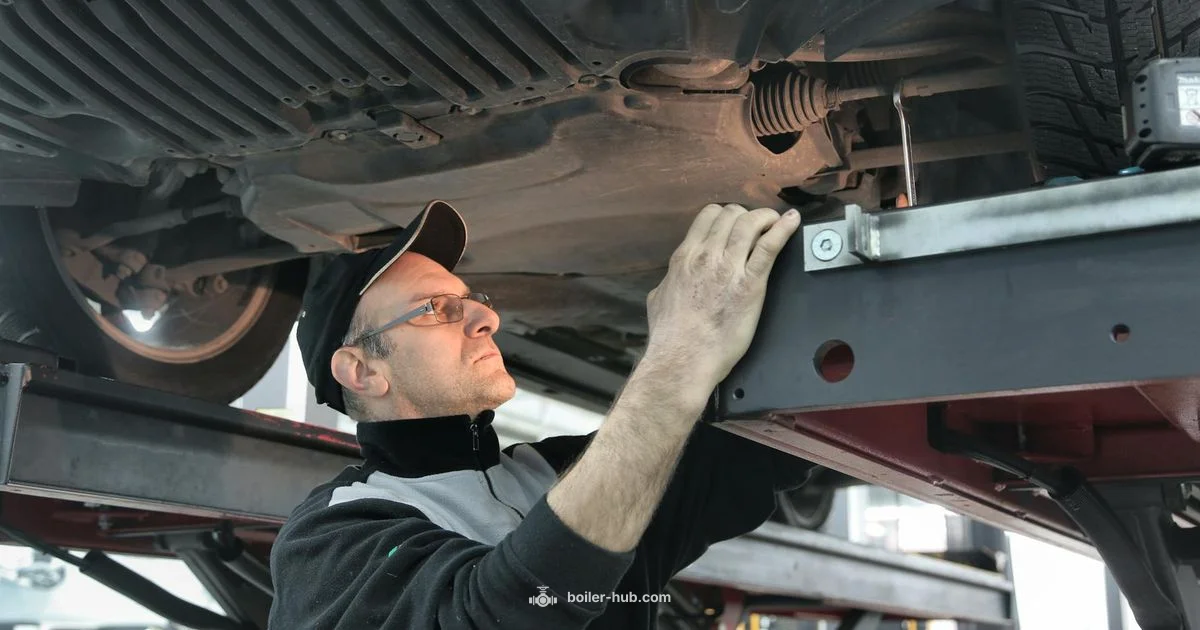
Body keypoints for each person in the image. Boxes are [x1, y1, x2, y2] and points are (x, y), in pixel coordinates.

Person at [268, 199, 816, 629]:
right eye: (437, 308)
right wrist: (678, 354)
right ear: (361, 372)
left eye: (473, 298)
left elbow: (764, 445)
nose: (486, 317)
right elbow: (504, 612)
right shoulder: (333, 536)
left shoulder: (559, 475)